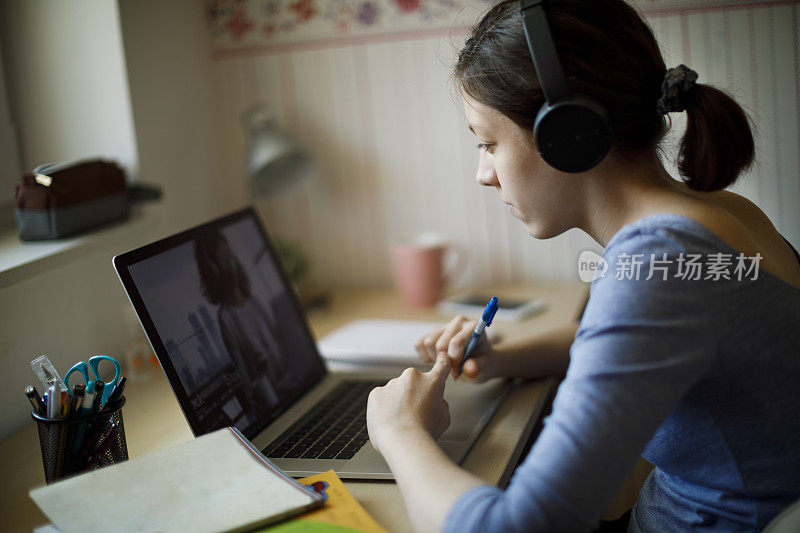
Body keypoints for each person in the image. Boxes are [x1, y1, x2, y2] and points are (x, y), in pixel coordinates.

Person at [364, 1, 800, 531]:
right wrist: (501, 358)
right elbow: (642, 345)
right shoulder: (721, 214)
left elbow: (514, 527)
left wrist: (400, 433)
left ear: (565, 132)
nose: (483, 173)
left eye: (487, 143)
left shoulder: (659, 265)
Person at [194, 229, 291, 416]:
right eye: (222, 258)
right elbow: (246, 381)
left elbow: (279, 344)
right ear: (212, 271)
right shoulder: (227, 317)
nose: (230, 261)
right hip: (275, 400)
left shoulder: (253, 301)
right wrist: (256, 374)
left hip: (290, 383)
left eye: (229, 253)